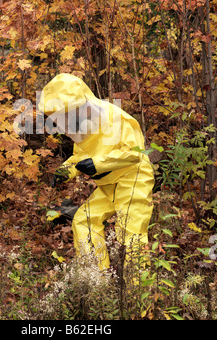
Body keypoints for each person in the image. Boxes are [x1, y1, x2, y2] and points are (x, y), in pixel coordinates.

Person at [38, 73, 154, 270]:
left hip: (134, 178)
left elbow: (135, 154)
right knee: (84, 222)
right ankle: (97, 279)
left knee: (131, 233)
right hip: (108, 185)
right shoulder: (80, 126)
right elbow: (80, 157)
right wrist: (65, 171)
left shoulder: (117, 118)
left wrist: (97, 163)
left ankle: (138, 293)